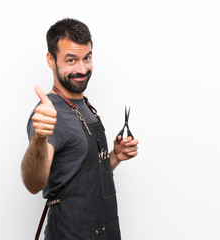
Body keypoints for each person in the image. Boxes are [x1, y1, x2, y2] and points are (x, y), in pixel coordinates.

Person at [21, 18, 139, 240]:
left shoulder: (86, 106)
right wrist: (39, 137)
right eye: (71, 60)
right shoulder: (48, 113)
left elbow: (84, 175)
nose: (82, 68)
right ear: (50, 60)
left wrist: (115, 157)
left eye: (87, 58)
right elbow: (33, 184)